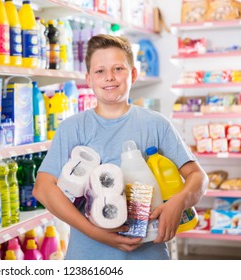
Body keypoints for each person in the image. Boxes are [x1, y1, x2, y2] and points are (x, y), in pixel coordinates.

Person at [33, 34, 208, 260]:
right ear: (89, 78)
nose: (109, 78)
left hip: (148, 257)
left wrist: (178, 202)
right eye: (100, 71)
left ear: (133, 74)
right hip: (88, 256)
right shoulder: (73, 128)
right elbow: (43, 188)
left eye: (118, 69)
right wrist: (97, 233)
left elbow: (198, 177)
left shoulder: (156, 124)